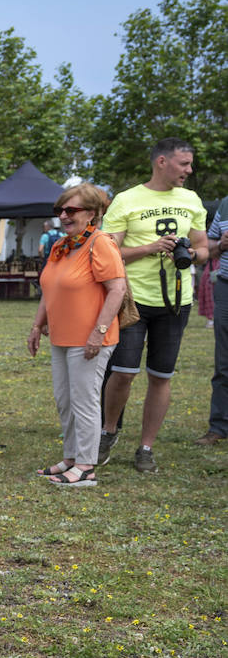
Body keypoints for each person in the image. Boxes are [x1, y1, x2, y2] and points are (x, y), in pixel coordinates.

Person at [98, 138, 209, 472]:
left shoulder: (191, 200)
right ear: (162, 162)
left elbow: (204, 248)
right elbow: (108, 251)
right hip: (134, 300)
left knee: (161, 376)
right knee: (123, 373)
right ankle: (108, 430)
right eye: (184, 164)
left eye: (190, 164)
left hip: (176, 301)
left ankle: (146, 447)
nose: (189, 171)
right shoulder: (127, 199)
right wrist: (150, 247)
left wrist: (192, 254)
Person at [26, 184, 129, 488]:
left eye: (71, 210)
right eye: (60, 210)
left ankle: (86, 466)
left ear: (93, 213)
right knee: (65, 400)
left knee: (84, 400)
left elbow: (117, 289)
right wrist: (37, 325)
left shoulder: (101, 243)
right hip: (61, 336)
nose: (64, 216)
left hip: (90, 340)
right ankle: (71, 457)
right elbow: (50, 288)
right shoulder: (63, 245)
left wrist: (98, 333)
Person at [198, 194, 228, 446]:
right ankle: (218, 426)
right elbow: (209, 246)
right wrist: (222, 245)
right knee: (223, 361)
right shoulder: (226, 204)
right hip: (226, 288)